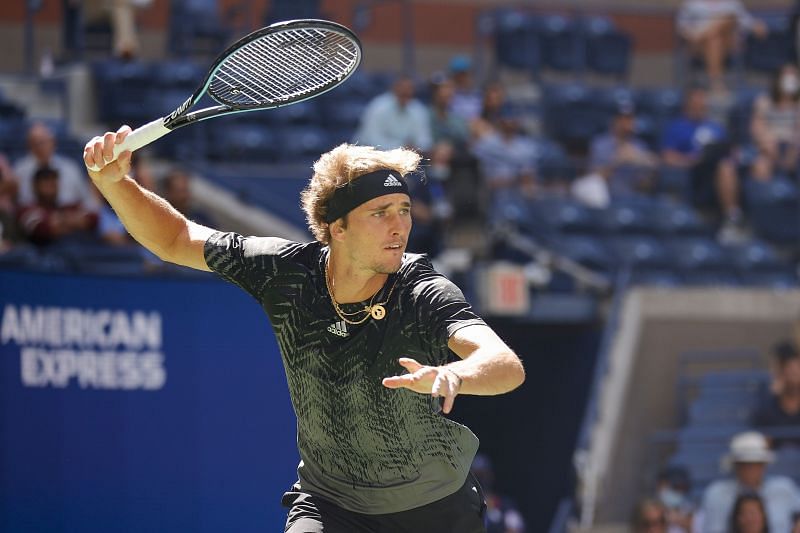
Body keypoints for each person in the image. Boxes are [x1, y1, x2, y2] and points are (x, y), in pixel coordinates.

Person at [84, 127, 526, 532]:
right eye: (380, 212)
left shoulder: (421, 289)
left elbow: (505, 365)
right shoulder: (286, 274)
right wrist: (115, 184)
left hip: (435, 510)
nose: (400, 226)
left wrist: (456, 375)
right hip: (330, 503)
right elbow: (177, 239)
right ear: (337, 228)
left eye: (404, 209)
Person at [661, 86, 745, 244]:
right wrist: (689, 160)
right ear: (688, 103)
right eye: (696, 102)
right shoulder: (677, 127)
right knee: (724, 166)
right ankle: (732, 218)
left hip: (719, 169)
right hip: (695, 172)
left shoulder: (716, 128)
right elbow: (667, 156)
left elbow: (729, 150)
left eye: (702, 102)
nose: (700, 105)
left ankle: (732, 218)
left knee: (726, 165)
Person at [696, 431, 800, 533]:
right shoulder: (717, 494)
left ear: (764, 465)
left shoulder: (784, 488)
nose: (750, 470)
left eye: (756, 464)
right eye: (744, 464)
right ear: (735, 466)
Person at [572, 101, 658, 208]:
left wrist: (641, 162)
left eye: (629, 119)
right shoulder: (600, 144)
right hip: (605, 196)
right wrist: (617, 161)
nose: (626, 123)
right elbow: (593, 178)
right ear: (614, 121)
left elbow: (645, 185)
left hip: (632, 198)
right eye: (622, 119)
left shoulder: (639, 146)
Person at [676, 0, 768, 93]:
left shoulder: (732, 2)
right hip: (698, 46)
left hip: (727, 44)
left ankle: (715, 83)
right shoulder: (691, 3)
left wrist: (757, 26)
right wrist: (690, 35)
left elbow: (746, 22)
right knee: (715, 40)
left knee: (729, 17)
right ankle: (717, 83)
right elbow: (681, 27)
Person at [14, 122, 96, 211]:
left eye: (43, 142)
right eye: (35, 143)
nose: (40, 147)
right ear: (29, 145)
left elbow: (87, 201)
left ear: (53, 142)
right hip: (34, 217)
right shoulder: (19, 170)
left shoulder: (70, 168)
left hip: (70, 215)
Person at [16, 166, 97, 246]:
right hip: (47, 252)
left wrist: (60, 221)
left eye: (53, 183)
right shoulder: (27, 209)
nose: (50, 188)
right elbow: (41, 229)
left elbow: (93, 218)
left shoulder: (67, 206)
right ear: (35, 186)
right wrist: (73, 222)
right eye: (46, 183)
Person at [472, 105, 538, 198]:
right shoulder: (486, 143)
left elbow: (528, 175)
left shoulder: (526, 146)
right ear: (500, 121)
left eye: (513, 119)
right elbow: (474, 166)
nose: (510, 122)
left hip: (516, 191)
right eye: (507, 119)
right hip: (489, 191)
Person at [354, 75, 433, 153]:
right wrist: (401, 147)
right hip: (369, 154)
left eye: (409, 89)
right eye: (402, 88)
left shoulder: (419, 110)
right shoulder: (378, 106)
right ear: (394, 88)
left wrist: (415, 147)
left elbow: (425, 141)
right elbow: (371, 140)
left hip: (405, 157)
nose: (405, 91)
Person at [750, 64, 800, 181]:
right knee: (760, 166)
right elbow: (756, 127)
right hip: (769, 146)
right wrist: (768, 143)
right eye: (787, 75)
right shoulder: (764, 101)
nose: (790, 79)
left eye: (794, 76)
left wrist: (793, 150)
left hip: (794, 146)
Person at [752, 341, 800, 449]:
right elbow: (764, 445)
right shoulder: (767, 402)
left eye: (796, 371)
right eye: (790, 371)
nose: (794, 376)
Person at [470, 453, 525, 533]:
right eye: (476, 475)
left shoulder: (505, 505)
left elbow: (515, 529)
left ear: (490, 475)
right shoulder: (463, 504)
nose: (479, 480)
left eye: (483, 474)